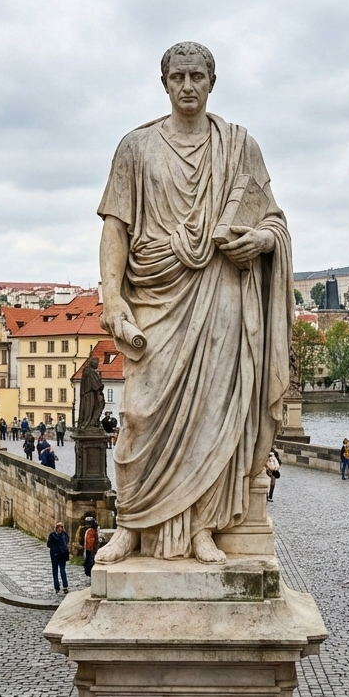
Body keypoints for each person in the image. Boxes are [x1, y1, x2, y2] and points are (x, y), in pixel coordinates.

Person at [91, 42, 292, 565]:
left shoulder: (239, 146)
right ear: (164, 82)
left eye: (196, 76)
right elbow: (116, 229)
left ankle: (203, 526)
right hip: (155, 294)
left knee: (213, 417)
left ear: (211, 82)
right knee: (137, 413)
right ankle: (132, 525)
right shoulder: (135, 148)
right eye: (177, 76)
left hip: (222, 293)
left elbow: (273, 220)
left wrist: (263, 242)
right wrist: (112, 300)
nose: (187, 86)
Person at [47, 522, 70, 594]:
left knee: (55, 571)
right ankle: (65, 586)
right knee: (62, 570)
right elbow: (67, 542)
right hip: (62, 555)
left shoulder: (52, 535)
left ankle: (57, 588)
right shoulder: (64, 535)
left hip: (54, 555)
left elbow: (48, 544)